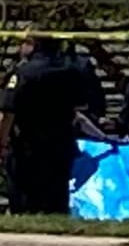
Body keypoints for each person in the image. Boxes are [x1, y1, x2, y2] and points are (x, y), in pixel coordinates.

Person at [0, 36, 92, 215]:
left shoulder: (24, 72)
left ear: (34, 45)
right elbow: (79, 107)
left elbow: (8, 112)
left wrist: (2, 143)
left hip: (28, 147)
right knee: (56, 200)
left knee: (25, 201)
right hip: (60, 145)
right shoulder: (71, 71)